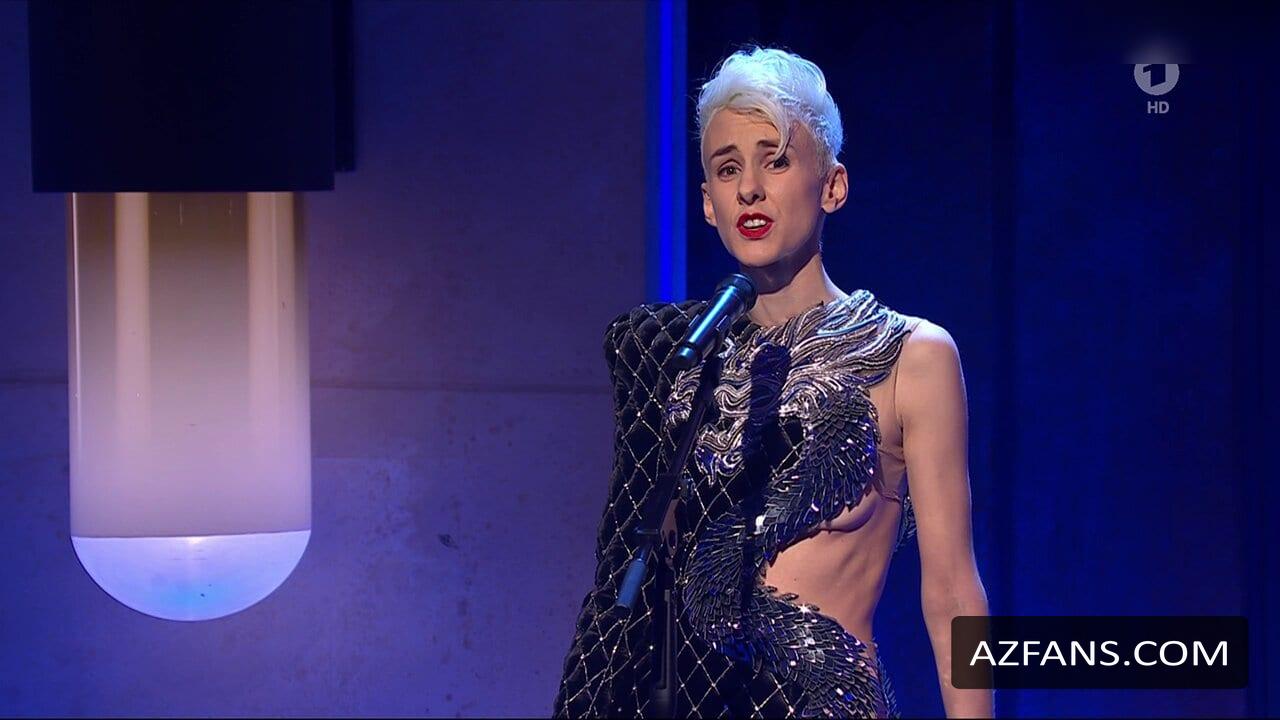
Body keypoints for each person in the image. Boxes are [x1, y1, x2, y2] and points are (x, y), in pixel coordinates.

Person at [553, 46, 992, 719]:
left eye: (776, 160)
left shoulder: (911, 356)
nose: (750, 189)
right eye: (728, 169)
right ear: (708, 203)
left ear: (833, 186)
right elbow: (625, 582)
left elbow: (953, 593)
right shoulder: (676, 358)